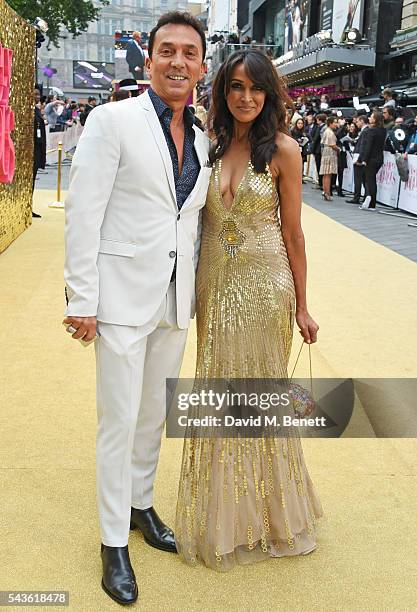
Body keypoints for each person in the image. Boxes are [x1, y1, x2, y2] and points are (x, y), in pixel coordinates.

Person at [63, 11, 210, 605]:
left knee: (152, 416)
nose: (178, 62)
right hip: (120, 298)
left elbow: (189, 220)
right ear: (149, 60)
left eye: (190, 53)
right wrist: (82, 298)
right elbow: (83, 211)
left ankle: (141, 506)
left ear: (202, 65)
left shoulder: (202, 136)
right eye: (167, 51)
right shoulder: (111, 119)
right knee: (118, 421)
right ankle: (111, 541)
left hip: (174, 299)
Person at [175, 48, 323, 571]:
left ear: (270, 94)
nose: (246, 98)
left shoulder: (284, 150)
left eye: (256, 88)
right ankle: (226, 518)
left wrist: (303, 305)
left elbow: (294, 232)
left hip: (266, 288)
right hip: (217, 289)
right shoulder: (206, 147)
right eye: (236, 87)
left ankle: (274, 516)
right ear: (221, 92)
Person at [359, 110, 386, 210]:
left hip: (371, 159)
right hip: (379, 158)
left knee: (370, 181)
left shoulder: (372, 130)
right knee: (371, 180)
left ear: (375, 119)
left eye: (371, 116)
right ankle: (371, 202)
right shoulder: (383, 130)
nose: (369, 118)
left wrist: (365, 159)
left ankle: (371, 203)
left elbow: (368, 146)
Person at [346, 114, 369, 204]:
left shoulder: (365, 131)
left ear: (362, 121)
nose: (357, 123)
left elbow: (364, 146)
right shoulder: (364, 131)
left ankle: (358, 197)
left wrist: (360, 159)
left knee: (359, 179)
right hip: (360, 157)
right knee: (362, 179)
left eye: (358, 121)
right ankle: (363, 197)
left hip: (359, 157)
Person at [32, 88, 46, 218]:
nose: (38, 96)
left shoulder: (36, 110)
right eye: (35, 94)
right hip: (29, 150)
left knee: (32, 181)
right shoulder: (26, 110)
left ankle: (28, 206)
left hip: (36, 149)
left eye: (38, 94)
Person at [320, 116, 339, 201]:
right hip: (330, 153)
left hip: (326, 153)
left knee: (325, 174)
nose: (336, 124)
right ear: (330, 123)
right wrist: (339, 149)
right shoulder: (330, 132)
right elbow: (332, 145)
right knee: (328, 174)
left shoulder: (326, 131)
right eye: (335, 122)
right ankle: (327, 193)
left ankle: (325, 191)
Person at [310, 113, 326, 189]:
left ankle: (321, 183)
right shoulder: (319, 127)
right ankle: (320, 183)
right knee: (319, 166)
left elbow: (316, 138)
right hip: (318, 149)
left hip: (319, 149)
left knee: (319, 166)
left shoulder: (322, 128)